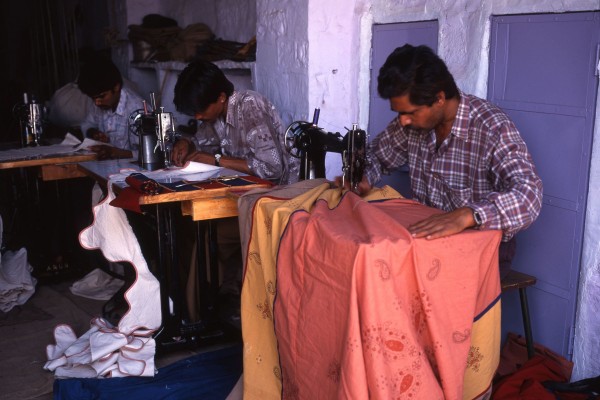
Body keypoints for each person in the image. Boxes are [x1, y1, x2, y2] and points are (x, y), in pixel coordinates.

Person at [357, 44, 543, 278]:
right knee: (370, 270)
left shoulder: (492, 127)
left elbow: (530, 195)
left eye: (410, 112)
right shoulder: (410, 126)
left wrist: (469, 215)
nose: (402, 121)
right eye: (399, 113)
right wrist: (363, 176)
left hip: (481, 251)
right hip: (427, 243)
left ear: (439, 98)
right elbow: (378, 155)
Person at [171, 60, 299, 185]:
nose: (197, 117)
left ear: (221, 97)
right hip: (248, 188)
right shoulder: (215, 117)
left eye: (201, 110)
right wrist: (186, 142)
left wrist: (216, 160)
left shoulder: (250, 106)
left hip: (281, 191)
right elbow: (200, 143)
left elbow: (272, 169)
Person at [77, 56, 146, 160]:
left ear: (116, 87)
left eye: (102, 96)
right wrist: (93, 133)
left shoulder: (136, 110)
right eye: (93, 98)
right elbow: (87, 124)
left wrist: (116, 153)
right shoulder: (99, 103)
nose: (97, 102)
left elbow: (149, 154)